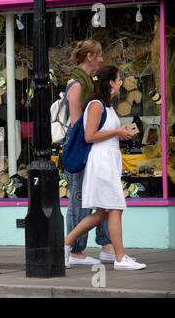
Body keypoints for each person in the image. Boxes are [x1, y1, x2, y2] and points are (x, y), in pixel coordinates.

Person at [64, 65, 146, 270]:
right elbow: (90, 136)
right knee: (116, 208)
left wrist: (121, 131)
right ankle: (120, 258)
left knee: (102, 213)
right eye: (118, 80)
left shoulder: (107, 106)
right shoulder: (96, 105)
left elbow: (103, 131)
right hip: (101, 162)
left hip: (107, 161)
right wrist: (118, 131)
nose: (120, 84)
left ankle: (63, 245)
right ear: (110, 82)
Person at [64, 40, 115, 265]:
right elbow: (77, 125)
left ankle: (107, 244)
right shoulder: (76, 85)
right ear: (89, 57)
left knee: (103, 195)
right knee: (79, 197)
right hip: (81, 145)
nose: (102, 59)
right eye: (99, 55)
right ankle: (74, 250)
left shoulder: (89, 83)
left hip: (92, 144)